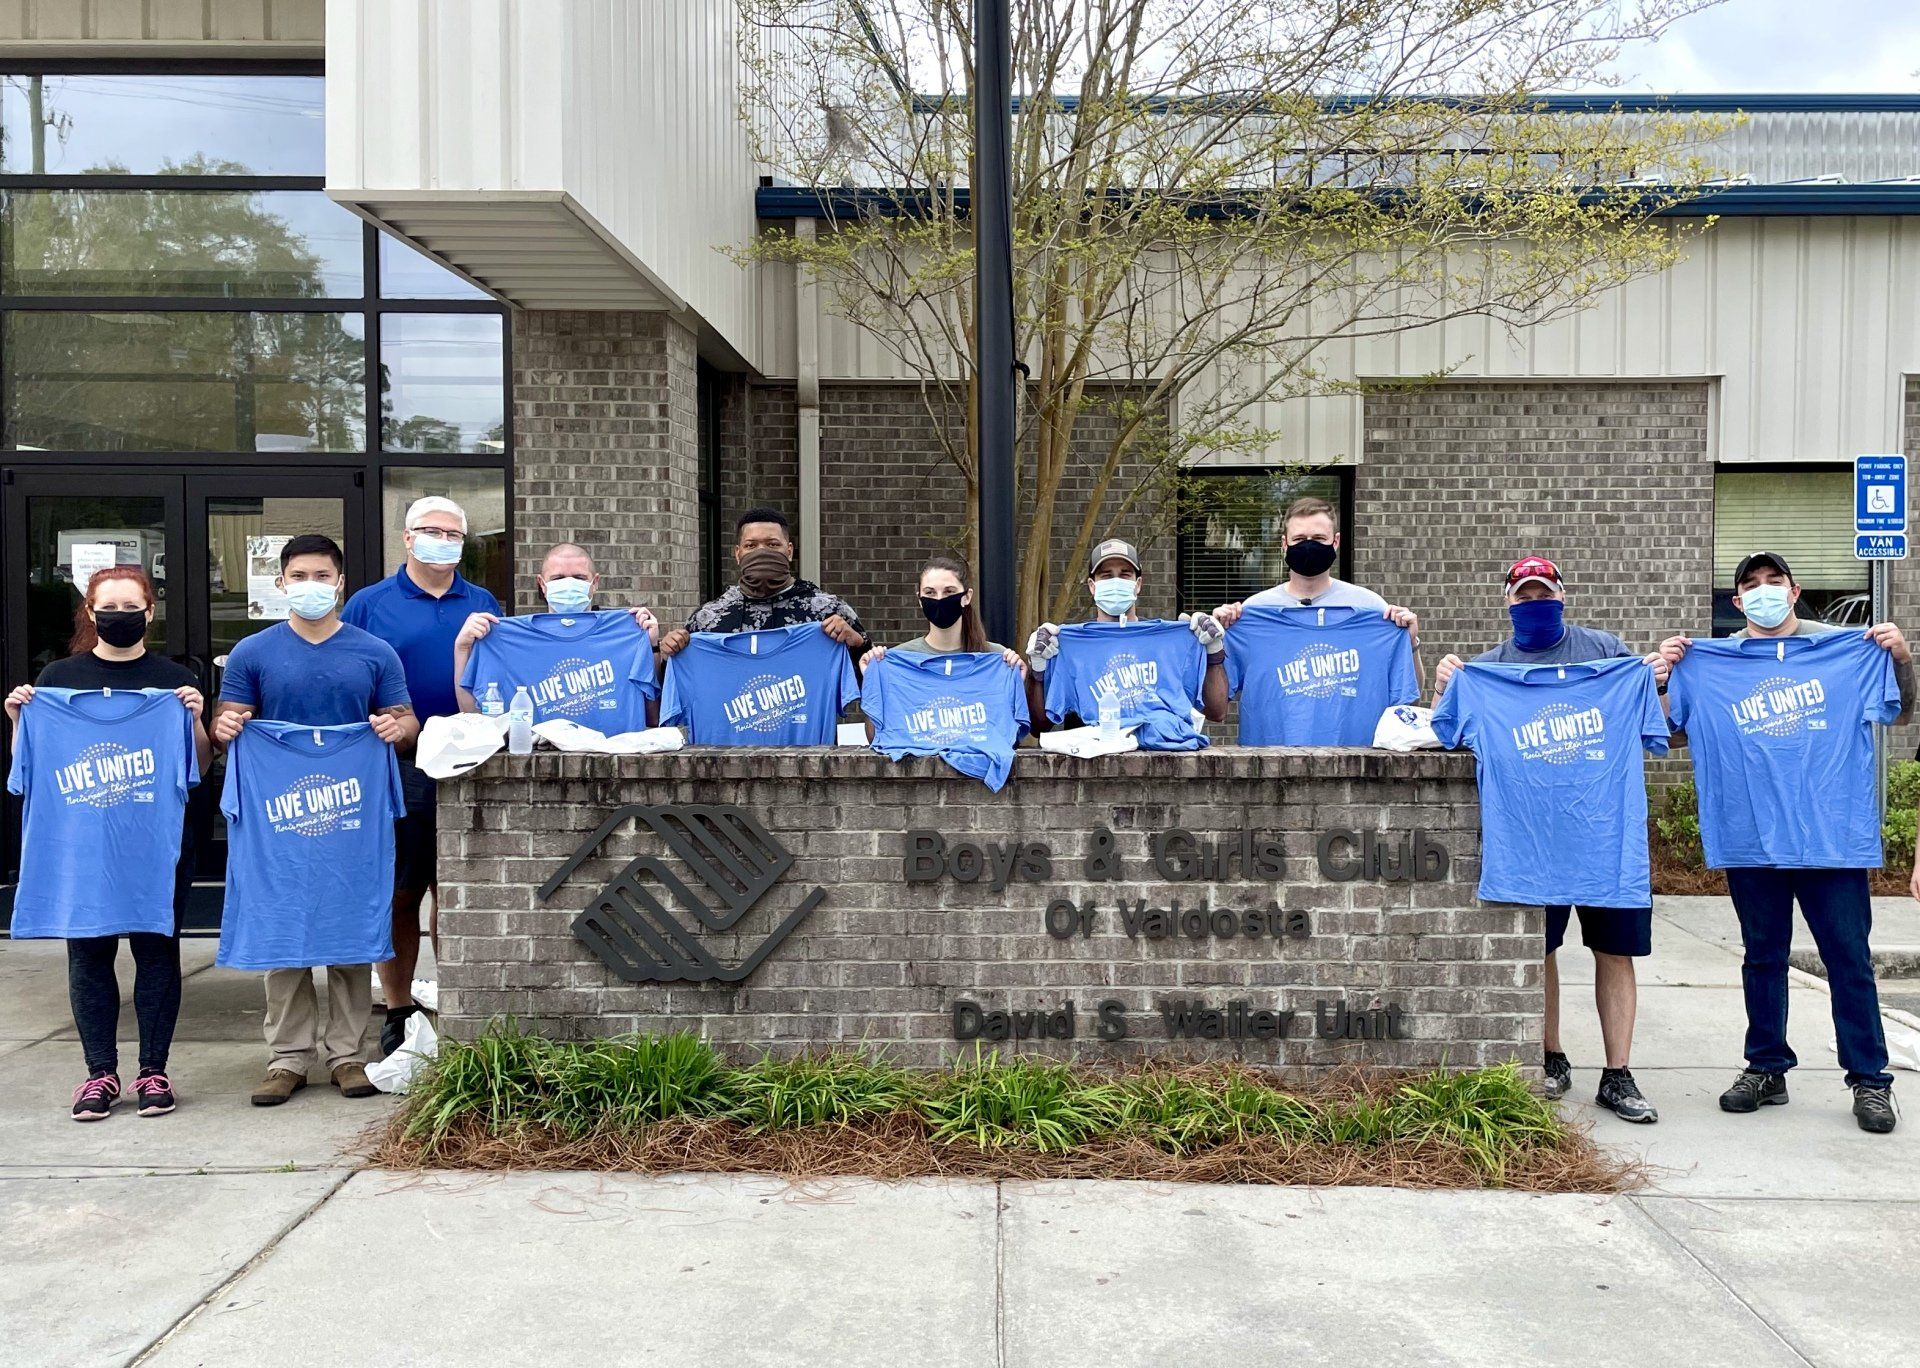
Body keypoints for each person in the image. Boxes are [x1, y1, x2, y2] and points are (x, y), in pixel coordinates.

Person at [1661, 551, 1914, 1134]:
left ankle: (1871, 1080)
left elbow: (1901, 713)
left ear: (1795, 592)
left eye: (1774, 581)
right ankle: (1766, 1068)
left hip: (1831, 838)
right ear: (1737, 601)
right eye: (1751, 584)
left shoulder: (1847, 655)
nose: (1763, 591)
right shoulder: (1708, 663)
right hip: (1751, 839)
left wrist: (1901, 659)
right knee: (1763, 958)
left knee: (1849, 961)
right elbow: (1670, 736)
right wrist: (1667, 679)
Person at [1433, 555, 1670, 1123]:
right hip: (1530, 841)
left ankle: (1618, 1074)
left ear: (1563, 593)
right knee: (1539, 951)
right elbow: (1445, 738)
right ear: (1508, 602)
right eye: (1524, 594)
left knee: (1615, 952)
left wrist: (1657, 679)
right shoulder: (1487, 670)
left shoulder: (1610, 656)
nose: (1534, 601)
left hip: (1606, 841)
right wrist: (1446, 686)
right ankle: (1552, 1056)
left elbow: (1659, 727)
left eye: (1544, 591)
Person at [211, 535, 419, 1106]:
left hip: (351, 815)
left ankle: (347, 1055)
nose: (310, 585)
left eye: (321, 575)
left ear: (340, 582)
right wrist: (226, 728)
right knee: (284, 933)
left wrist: (393, 730)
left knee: (351, 927)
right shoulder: (254, 651)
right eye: (298, 575)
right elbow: (225, 722)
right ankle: (288, 1058)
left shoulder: (375, 652)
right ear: (281, 584)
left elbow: (408, 726)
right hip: (278, 820)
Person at [5, 566, 212, 1121]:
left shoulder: (173, 680)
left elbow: (197, 767)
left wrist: (193, 719)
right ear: (91, 613)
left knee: (155, 952)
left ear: (150, 612)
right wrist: (19, 719)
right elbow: (28, 769)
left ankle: (153, 1071)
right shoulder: (57, 679)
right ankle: (99, 1073)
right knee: (88, 953)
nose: (119, 615)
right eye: (108, 606)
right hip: (82, 844)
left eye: (131, 606)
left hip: (155, 843)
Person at [340, 497, 503, 1058]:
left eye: (453, 532)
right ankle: (397, 1006)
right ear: (407, 540)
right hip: (398, 764)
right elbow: (346, 668)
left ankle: (460, 1003)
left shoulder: (481, 600)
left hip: (468, 761)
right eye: (430, 531)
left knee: (454, 892)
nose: (442, 540)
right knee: (400, 889)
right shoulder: (370, 603)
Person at [1210, 496, 1424, 691]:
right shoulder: (1254, 611)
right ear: (1285, 544)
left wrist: (1410, 642)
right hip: (1272, 735)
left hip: (1354, 735)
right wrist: (1216, 643)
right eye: (1300, 539)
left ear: (1336, 542)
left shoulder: (1371, 608)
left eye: (1319, 538)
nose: (1309, 546)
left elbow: (1408, 696)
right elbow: (1216, 706)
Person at [1022, 538, 1228, 736]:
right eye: (1106, 575)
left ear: (1137, 584)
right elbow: (1039, 726)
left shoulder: (1168, 641)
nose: (1115, 581)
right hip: (1091, 765)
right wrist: (1037, 669)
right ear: (1092, 586)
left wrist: (1213, 654)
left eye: (1124, 574)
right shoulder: (1069, 644)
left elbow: (1217, 712)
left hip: (1158, 760)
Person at [452, 541, 661, 719]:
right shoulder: (506, 637)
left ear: (594, 583)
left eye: (579, 578)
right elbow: (473, 715)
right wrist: (462, 649)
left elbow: (652, 715)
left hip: (609, 761)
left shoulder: (625, 633)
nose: (568, 584)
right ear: (542, 585)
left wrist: (650, 645)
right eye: (558, 578)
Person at [657, 509, 865, 661]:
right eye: (751, 546)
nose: (762, 552)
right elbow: (674, 688)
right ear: (737, 553)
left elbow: (869, 680)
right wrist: (667, 653)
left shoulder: (828, 611)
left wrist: (857, 644)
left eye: (772, 544)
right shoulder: (707, 620)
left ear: (789, 551)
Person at [859, 554, 1026, 733]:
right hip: (919, 762)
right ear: (920, 600)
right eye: (930, 593)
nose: (939, 599)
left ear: (967, 597)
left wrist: (1016, 681)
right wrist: (872, 680)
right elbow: (875, 736)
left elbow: (1008, 731)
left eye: (949, 592)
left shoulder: (996, 659)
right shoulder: (900, 659)